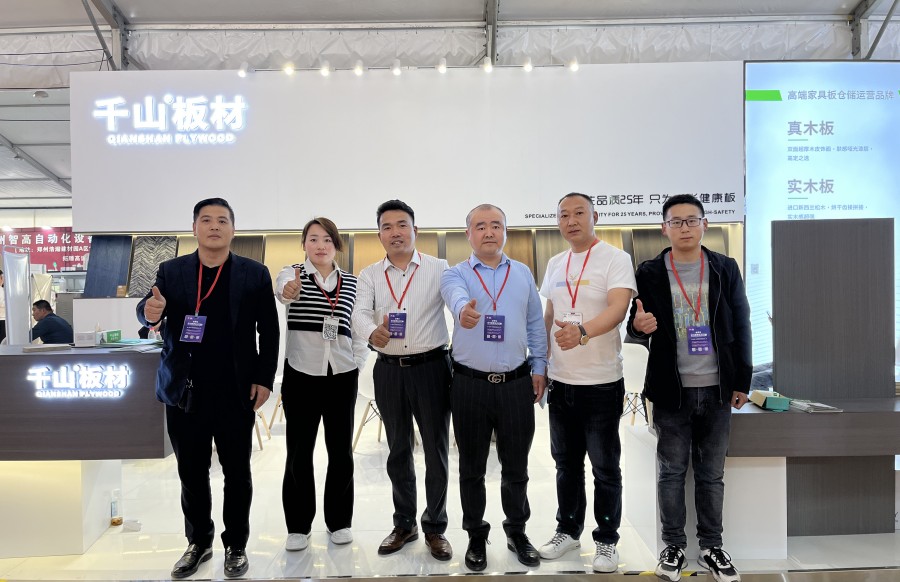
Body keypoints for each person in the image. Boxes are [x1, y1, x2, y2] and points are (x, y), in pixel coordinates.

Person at [136, 198, 279, 580]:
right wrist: (149, 312)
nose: (214, 226)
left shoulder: (254, 273)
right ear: (194, 228)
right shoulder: (172, 270)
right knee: (191, 471)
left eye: (222, 220)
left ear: (233, 229)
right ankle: (198, 541)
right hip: (186, 390)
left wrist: (264, 379)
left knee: (238, 473)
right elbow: (149, 307)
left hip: (236, 390)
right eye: (206, 220)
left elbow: (269, 330)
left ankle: (236, 545)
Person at [627, 194, 751, 582]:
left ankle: (712, 546)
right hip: (671, 390)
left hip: (717, 388)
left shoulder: (724, 267)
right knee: (671, 472)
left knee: (711, 473)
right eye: (676, 221)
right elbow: (635, 325)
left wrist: (742, 380)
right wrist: (637, 328)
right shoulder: (649, 271)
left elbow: (742, 322)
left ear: (704, 224)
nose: (684, 227)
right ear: (664, 228)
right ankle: (674, 547)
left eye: (691, 220)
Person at [440, 204, 547, 571]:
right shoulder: (455, 274)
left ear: (505, 231)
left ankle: (517, 532)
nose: (489, 232)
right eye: (481, 226)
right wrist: (463, 311)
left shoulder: (522, 273)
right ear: (468, 234)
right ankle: (475, 534)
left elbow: (535, 323)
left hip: (516, 383)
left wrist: (540, 366)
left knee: (516, 466)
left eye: (496, 225)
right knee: (471, 468)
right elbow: (455, 296)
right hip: (469, 385)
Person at [537, 192, 636, 573]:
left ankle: (607, 540)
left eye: (579, 213)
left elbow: (618, 308)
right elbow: (549, 315)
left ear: (595, 217)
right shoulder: (555, 263)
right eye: (564, 215)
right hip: (561, 381)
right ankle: (568, 530)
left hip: (601, 382)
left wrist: (581, 332)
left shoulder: (615, 258)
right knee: (565, 464)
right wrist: (541, 362)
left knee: (604, 467)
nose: (571, 220)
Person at [350, 199, 453, 561]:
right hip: (389, 369)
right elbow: (358, 313)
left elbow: (457, 302)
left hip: (432, 368)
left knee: (436, 450)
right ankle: (404, 523)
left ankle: (435, 526)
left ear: (415, 230)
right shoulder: (369, 275)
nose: (395, 232)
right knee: (397, 450)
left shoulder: (439, 268)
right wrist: (370, 331)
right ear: (379, 234)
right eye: (387, 227)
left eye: (401, 225)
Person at [275, 217, 368, 552]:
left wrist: (357, 363)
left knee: (341, 451)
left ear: (336, 245)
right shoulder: (292, 274)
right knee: (299, 452)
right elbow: (283, 290)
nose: (320, 245)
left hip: (341, 374)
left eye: (327, 239)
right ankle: (298, 526)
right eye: (313, 239)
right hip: (301, 374)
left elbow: (358, 328)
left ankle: (339, 521)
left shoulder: (352, 283)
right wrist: (288, 290)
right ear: (304, 244)